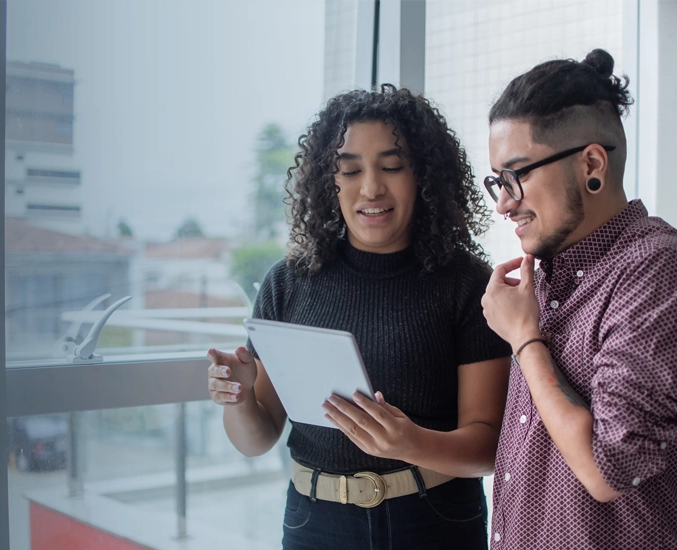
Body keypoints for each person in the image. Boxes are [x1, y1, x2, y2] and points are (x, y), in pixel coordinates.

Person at [207, 85, 512, 549]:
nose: (371, 188)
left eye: (391, 167)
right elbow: (257, 438)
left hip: (432, 521)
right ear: (329, 182)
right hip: (315, 523)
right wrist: (241, 398)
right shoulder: (288, 283)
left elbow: (490, 446)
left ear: (424, 176)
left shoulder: (467, 284)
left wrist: (410, 443)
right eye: (350, 170)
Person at [480, 49, 677, 549]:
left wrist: (525, 340)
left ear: (592, 164)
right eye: (497, 181)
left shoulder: (665, 275)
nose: (505, 202)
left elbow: (606, 467)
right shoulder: (544, 280)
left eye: (517, 176)